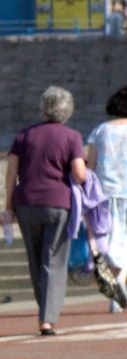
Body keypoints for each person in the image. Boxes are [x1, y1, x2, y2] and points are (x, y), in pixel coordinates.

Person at [3, 86, 88, 335]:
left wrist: (7, 207)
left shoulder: (23, 136)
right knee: (54, 260)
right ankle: (47, 318)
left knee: (36, 260)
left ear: (43, 107)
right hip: (58, 203)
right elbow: (80, 173)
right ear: (67, 110)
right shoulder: (72, 137)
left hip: (26, 203)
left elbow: (11, 173)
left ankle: (45, 311)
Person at [85, 85, 127, 312]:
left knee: (110, 241)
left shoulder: (100, 131)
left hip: (106, 192)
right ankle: (119, 284)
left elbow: (90, 167)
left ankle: (115, 284)